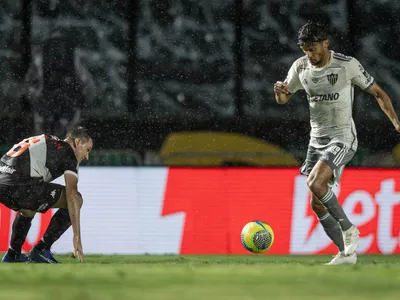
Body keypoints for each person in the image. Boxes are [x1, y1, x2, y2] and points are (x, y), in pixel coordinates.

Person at [274, 22, 400, 265]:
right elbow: (283, 99)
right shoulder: (300, 67)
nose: (309, 55)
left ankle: (349, 229)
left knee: (315, 182)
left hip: (343, 137)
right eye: (305, 50)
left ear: (325, 43)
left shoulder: (347, 65)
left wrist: (396, 122)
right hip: (316, 141)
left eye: (313, 49)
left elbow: (379, 94)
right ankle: (347, 254)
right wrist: (279, 91)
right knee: (317, 204)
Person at [0, 126, 93, 263]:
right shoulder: (68, 153)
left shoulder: (49, 141)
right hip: (21, 185)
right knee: (77, 200)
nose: (86, 156)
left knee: (28, 208)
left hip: (2, 184)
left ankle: (13, 254)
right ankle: (41, 249)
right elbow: (71, 195)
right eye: (87, 150)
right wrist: (76, 236)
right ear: (77, 142)